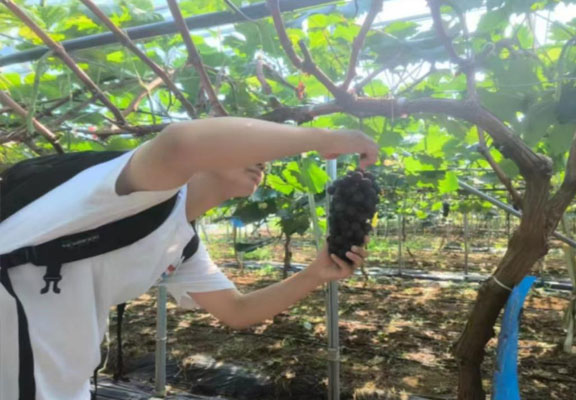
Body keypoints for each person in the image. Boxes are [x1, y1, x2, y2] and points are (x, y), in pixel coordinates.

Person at [0, 116, 378, 400]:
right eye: (248, 149)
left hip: (63, 379)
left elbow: (237, 310)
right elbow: (180, 143)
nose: (261, 160)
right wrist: (324, 137)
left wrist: (314, 273)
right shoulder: (134, 191)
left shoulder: (181, 243)